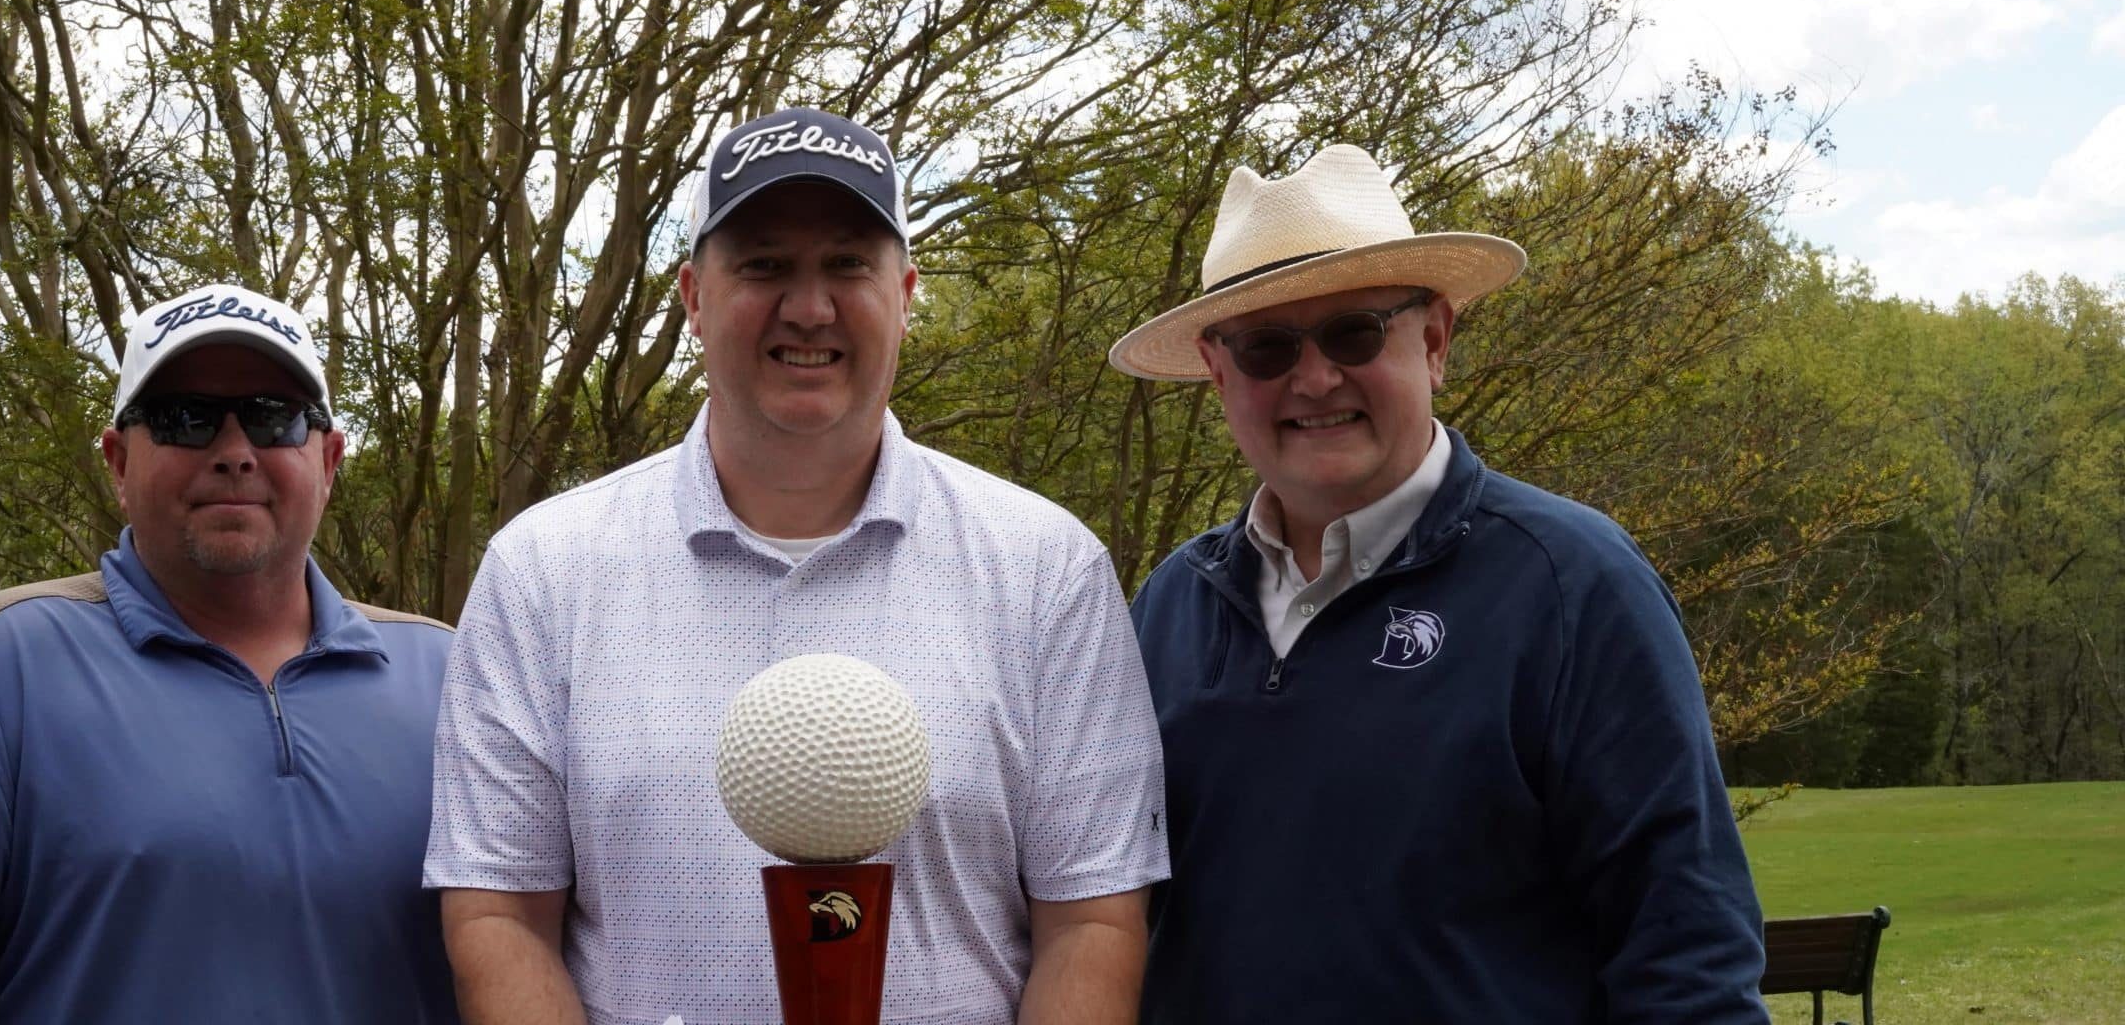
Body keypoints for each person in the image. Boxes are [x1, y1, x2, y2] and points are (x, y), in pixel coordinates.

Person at [425, 108, 1169, 1025]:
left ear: (905, 291)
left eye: (848, 264)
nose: (809, 308)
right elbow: (499, 914)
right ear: (695, 297)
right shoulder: (543, 571)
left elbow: (1093, 922)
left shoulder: (1047, 569)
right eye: (765, 265)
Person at [1107, 146, 1770, 1023]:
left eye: (1354, 332)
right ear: (1221, 373)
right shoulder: (1167, 609)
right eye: (1267, 347)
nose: (1314, 378)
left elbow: (1688, 951)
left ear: (1434, 338)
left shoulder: (1574, 585)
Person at [0, 284, 458, 1024]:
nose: (233, 453)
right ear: (118, 461)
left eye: (272, 417)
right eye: (184, 419)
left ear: (327, 459)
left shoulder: (455, 680)